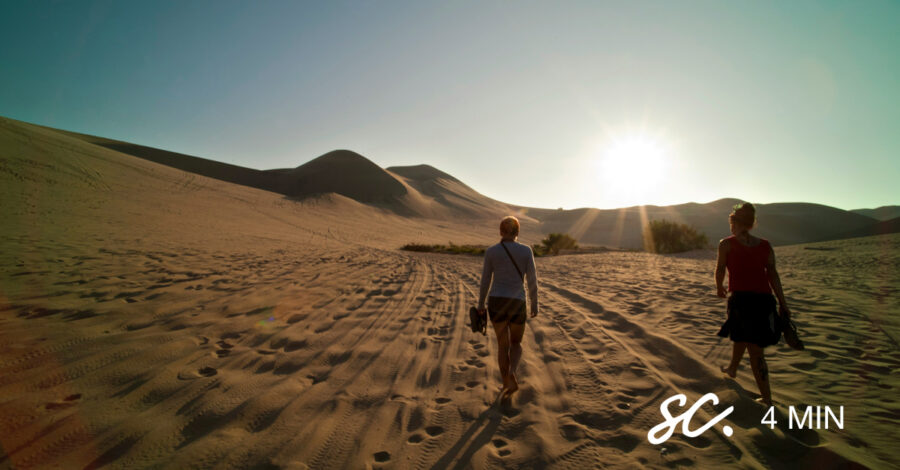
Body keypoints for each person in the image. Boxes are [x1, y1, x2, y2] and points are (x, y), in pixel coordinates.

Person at [715, 203, 791, 407]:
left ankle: (767, 398)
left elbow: (720, 268)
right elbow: (773, 275)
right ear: (751, 223)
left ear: (734, 222)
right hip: (764, 302)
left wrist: (719, 287)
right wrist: (782, 302)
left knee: (755, 350)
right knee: (741, 335)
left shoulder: (726, 244)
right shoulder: (765, 245)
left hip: (741, 302)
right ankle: (732, 368)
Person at [478, 216, 539, 397]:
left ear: (500, 231)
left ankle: (506, 382)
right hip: (517, 302)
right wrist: (535, 303)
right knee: (516, 343)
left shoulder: (492, 251)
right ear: (517, 232)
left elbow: (485, 280)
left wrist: (481, 303)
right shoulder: (526, 251)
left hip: (496, 302)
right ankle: (512, 371)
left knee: (502, 346)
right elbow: (532, 279)